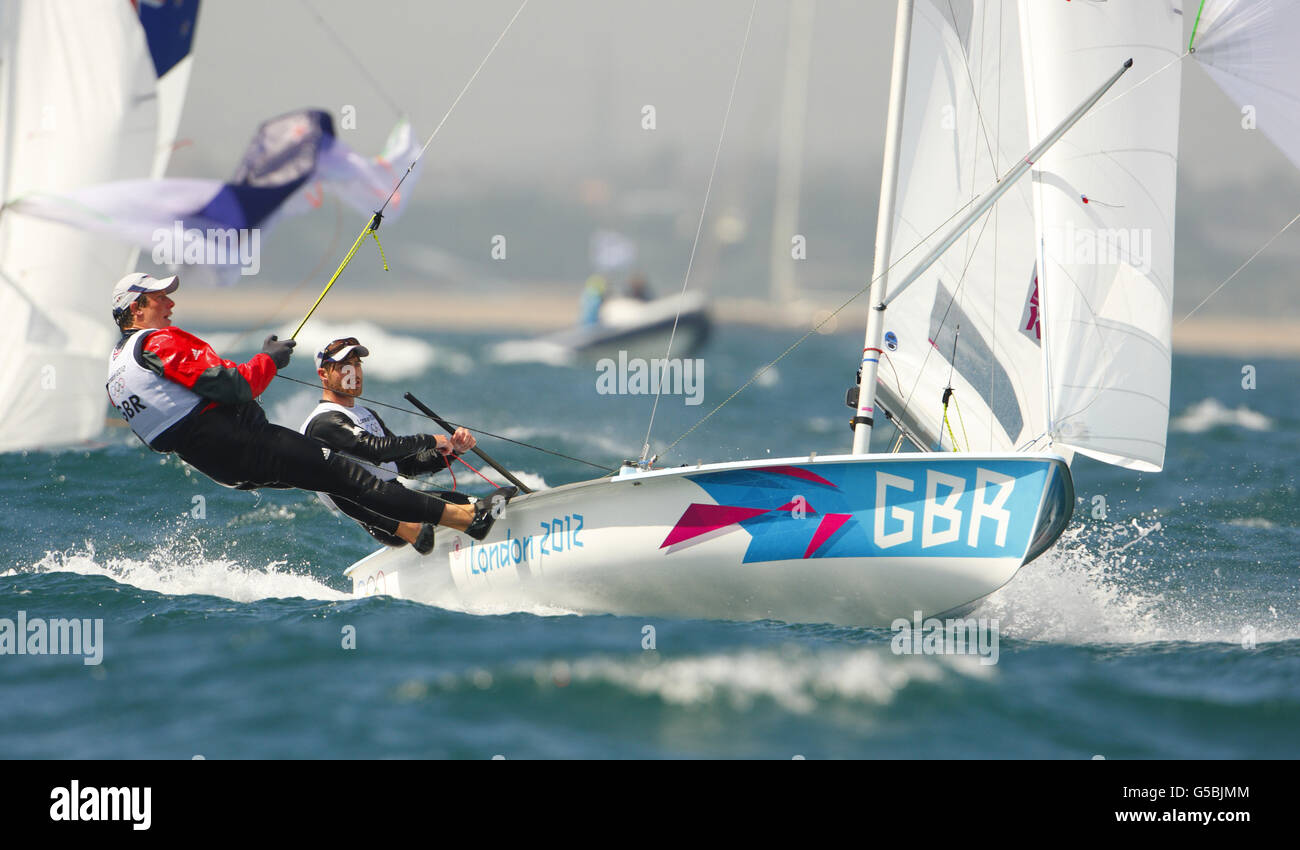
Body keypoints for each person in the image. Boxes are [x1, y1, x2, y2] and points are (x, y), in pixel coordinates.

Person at [105, 272, 506, 542]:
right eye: (160, 300)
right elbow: (235, 387)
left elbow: (160, 433)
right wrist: (269, 360)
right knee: (344, 475)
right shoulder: (158, 342)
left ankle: (411, 532)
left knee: (332, 479)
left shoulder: (116, 371)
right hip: (246, 442)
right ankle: (469, 520)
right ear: (136, 308)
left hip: (218, 466)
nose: (170, 307)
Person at [300, 337, 508, 555]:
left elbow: (407, 465)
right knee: (480, 511)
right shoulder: (323, 422)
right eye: (344, 367)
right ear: (323, 375)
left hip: (402, 501)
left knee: (490, 508)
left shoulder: (366, 414)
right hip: (387, 518)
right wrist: (429, 440)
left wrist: (454, 449)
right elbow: (375, 450)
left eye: (357, 364)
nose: (354, 372)